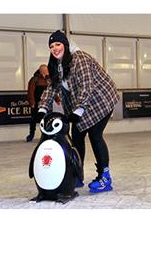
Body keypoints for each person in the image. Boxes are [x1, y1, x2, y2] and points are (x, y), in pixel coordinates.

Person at [37, 30, 120, 193]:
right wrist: (42, 109)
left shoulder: (79, 58)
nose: (55, 48)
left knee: (95, 135)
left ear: (65, 45)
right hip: (82, 105)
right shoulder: (56, 65)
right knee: (76, 137)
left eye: (58, 44)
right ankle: (77, 175)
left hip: (101, 100)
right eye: (52, 46)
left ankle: (105, 178)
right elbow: (51, 88)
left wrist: (79, 110)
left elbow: (86, 85)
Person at [26, 64, 49, 142]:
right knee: (34, 119)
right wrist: (32, 102)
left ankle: (46, 135)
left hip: (47, 104)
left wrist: (57, 99)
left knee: (46, 120)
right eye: (46, 70)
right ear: (42, 71)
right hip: (36, 104)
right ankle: (31, 134)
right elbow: (30, 92)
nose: (48, 71)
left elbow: (52, 91)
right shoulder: (34, 79)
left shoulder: (48, 80)